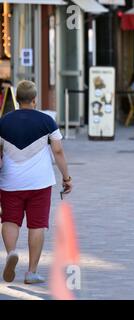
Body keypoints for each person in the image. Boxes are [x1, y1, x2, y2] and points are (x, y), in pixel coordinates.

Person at [0, 80, 72, 284]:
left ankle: (12, 252)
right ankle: (31, 272)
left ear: (17, 99)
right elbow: (58, 151)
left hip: (10, 182)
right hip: (39, 182)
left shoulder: (3, 122)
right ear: (34, 99)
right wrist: (67, 178)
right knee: (37, 225)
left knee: (9, 221)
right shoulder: (47, 121)